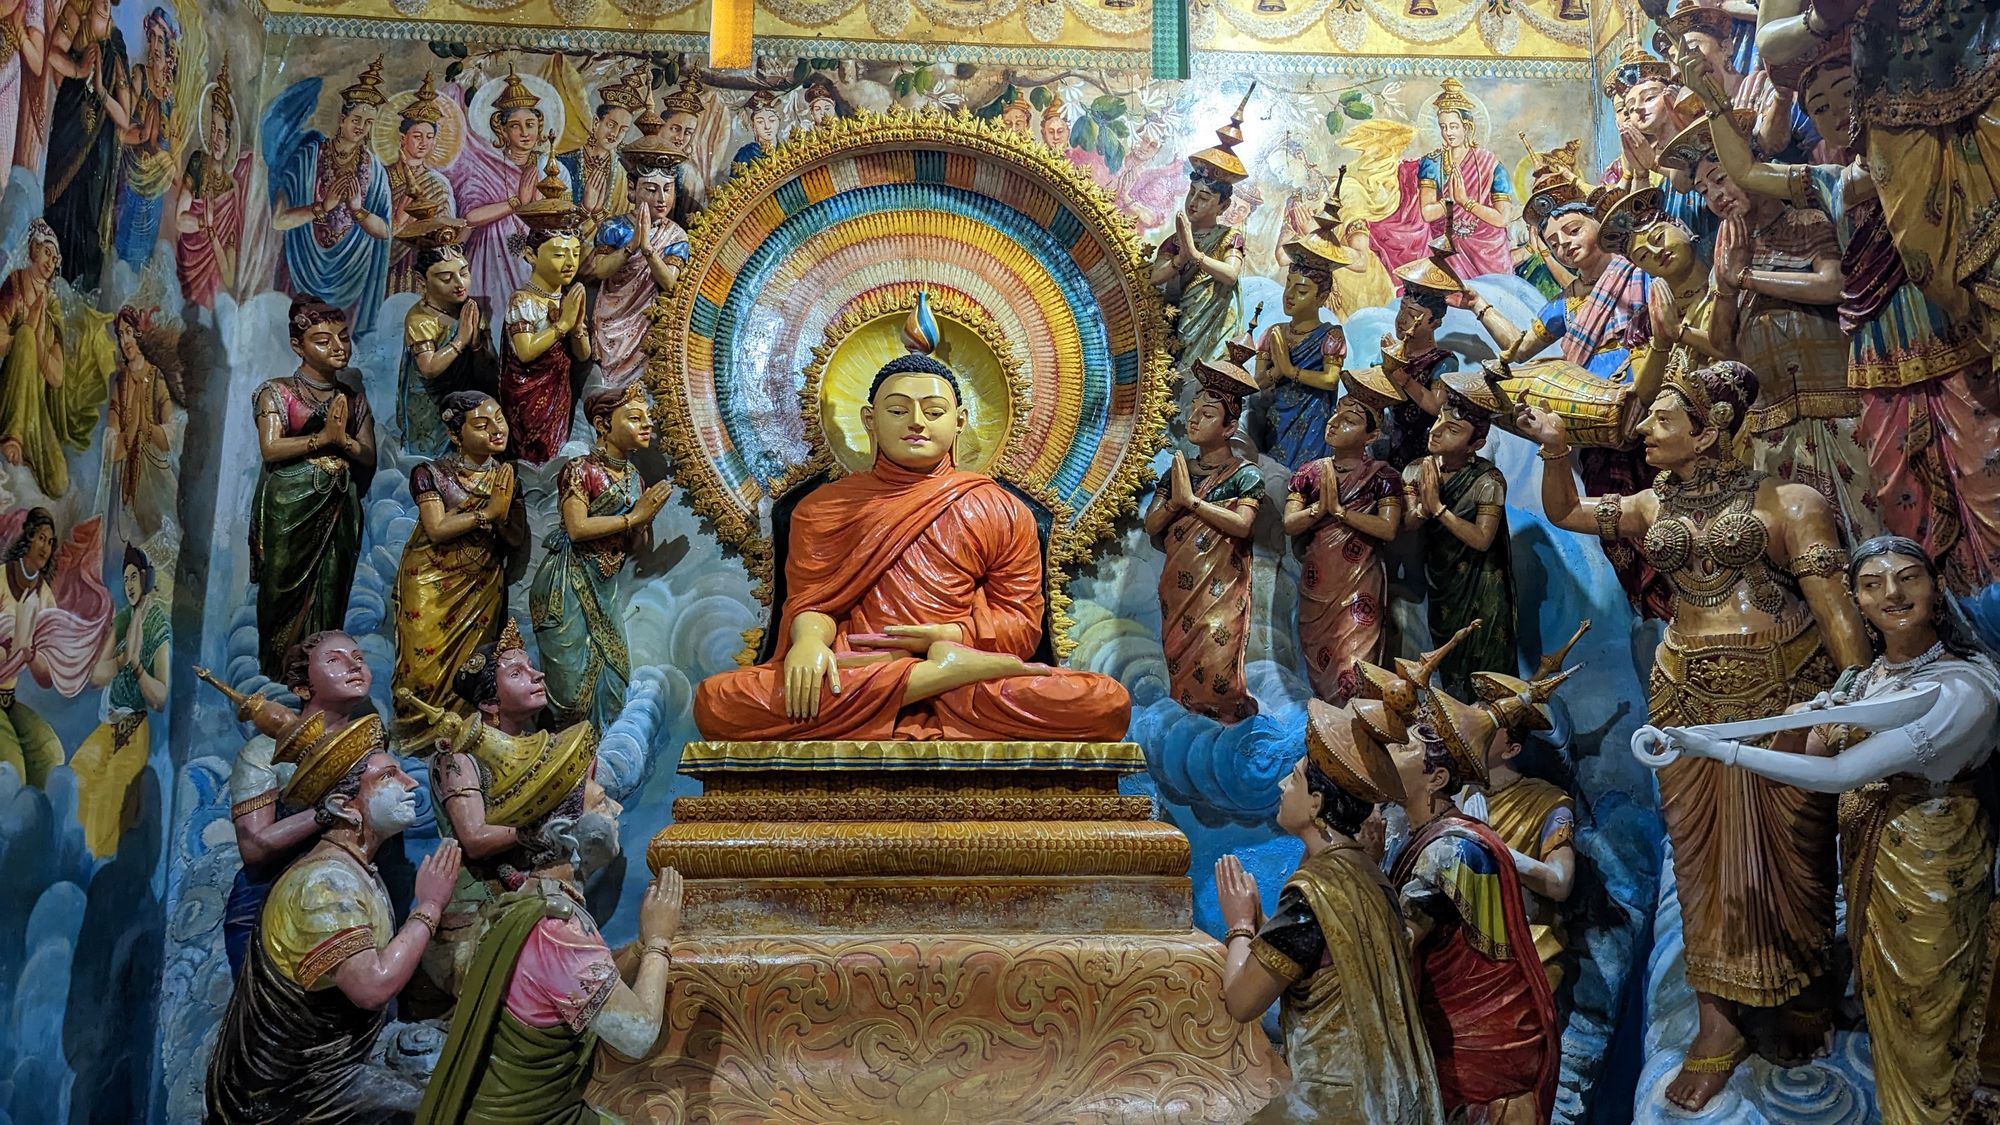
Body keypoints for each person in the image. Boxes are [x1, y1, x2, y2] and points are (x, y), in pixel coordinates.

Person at [1517, 360, 1869, 1112]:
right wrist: (1552, 451)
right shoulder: (1651, 505)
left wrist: (1858, 693)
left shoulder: (1791, 500)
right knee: (1702, 856)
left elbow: (1835, 605)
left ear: (1710, 431)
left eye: (1663, 418)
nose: (1644, 429)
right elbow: (1568, 513)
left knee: (1796, 849)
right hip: (1685, 698)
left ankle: (1800, 989)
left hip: (1782, 694)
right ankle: (1717, 1022)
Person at [1643, 536, 2000, 1125]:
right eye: (1873, 583)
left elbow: (1841, 772)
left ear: (1935, 588)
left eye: (1909, 577)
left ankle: (1935, 1112)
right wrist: (1792, 722)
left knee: (1930, 1010)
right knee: (1889, 1001)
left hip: (1935, 859)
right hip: (1874, 857)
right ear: (1855, 600)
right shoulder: (1866, 681)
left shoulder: (1966, 688)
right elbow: (1807, 758)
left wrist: (1717, 749)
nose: (1893, 593)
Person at [1677, 41, 2000, 591]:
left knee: (1983, 482)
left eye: (1847, 94)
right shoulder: (1832, 187)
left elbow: (1831, 279)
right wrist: (1710, 97)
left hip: (1943, 342)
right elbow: (1748, 174)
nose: (1836, 112)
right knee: (1897, 511)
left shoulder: (1916, 156)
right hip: (1867, 367)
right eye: (1820, 105)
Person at [691, 351, 1132, 742]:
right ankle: (933, 677)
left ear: (959, 421)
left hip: (963, 682)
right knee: (718, 701)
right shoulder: (825, 507)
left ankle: (938, 675)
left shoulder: (1000, 509)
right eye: (898, 410)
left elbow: (1020, 626)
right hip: (856, 667)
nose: (917, 422)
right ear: (869, 420)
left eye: (934, 410)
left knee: (1105, 701)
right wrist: (807, 644)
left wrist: (951, 635)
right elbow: (814, 604)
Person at [205, 740, 462, 1124]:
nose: (412, 784)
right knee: (434, 1113)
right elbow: (372, 987)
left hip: (331, 1069)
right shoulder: (324, 884)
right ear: (344, 806)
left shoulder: (354, 869)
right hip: (287, 1093)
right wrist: (429, 907)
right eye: (390, 776)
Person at [1213, 698, 1444, 1124]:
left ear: (1316, 803)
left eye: (1296, 778)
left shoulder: (1313, 895)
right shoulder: (1370, 878)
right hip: (1384, 1096)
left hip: (1331, 1102)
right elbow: (1316, 965)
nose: (1283, 784)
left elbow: (1242, 1002)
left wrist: (1241, 924)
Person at [416, 757, 683, 1124]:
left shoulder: (526, 901)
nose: (615, 808)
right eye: (601, 802)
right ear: (565, 833)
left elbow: (588, 988)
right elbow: (637, 1037)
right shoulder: (556, 931)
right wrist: (658, 942)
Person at [1679, 114, 1877, 546]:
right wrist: (1727, 289)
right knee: (1799, 536)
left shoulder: (1805, 222)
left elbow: (1833, 284)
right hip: (1772, 420)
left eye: (1720, 178)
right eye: (1704, 191)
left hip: (1834, 401)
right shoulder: (1727, 254)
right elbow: (1721, 344)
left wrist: (1746, 276)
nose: (1716, 195)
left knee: (1863, 515)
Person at [1389, 705, 1560, 1124]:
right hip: (1455, 1039)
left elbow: (1394, 944)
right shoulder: (1425, 838)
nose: (1390, 750)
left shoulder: (1451, 851)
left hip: (1478, 1051)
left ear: (1437, 779)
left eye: (1405, 745)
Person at [403, 629, 594, 994]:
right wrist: (537, 832)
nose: (537, 675)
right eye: (517, 673)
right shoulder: (457, 758)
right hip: (479, 914)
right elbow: (474, 838)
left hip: (535, 892)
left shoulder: (545, 750)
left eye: (532, 667)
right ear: (490, 703)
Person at [211, 631, 376, 976]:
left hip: (351, 900)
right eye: (334, 660)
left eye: (358, 658)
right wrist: (321, 816)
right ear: (302, 687)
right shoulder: (264, 754)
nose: (353, 665)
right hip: (276, 906)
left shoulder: (372, 752)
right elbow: (254, 847)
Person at [530, 383, 672, 732]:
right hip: (566, 586)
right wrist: (633, 518)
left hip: (604, 591)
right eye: (635, 418)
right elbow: (577, 528)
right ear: (603, 424)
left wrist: (644, 522)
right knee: (569, 685)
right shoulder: (580, 470)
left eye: (648, 418)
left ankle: (600, 755)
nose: (646, 425)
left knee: (613, 677)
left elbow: (638, 547)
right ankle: (570, 758)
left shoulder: (636, 480)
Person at [250, 300, 376, 680]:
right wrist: (325, 439)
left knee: (332, 587)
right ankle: (279, 672)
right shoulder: (276, 392)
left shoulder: (353, 399)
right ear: (297, 345)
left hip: (339, 505)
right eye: (322, 340)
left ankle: (323, 671)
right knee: (281, 591)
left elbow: (367, 455)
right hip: (288, 507)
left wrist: (344, 442)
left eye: (343, 337)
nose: (338, 347)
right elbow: (271, 448)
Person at [392, 392, 521, 750]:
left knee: (474, 664)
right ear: (456, 435)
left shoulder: (506, 476)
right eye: (481, 425)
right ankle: (414, 738)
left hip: (480, 583)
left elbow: (513, 537)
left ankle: (466, 737)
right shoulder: (431, 474)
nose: (497, 430)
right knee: (421, 666)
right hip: (430, 579)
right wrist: (488, 514)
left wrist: (505, 516)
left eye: (499, 419)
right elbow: (435, 528)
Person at [1463, 626, 1587, 991]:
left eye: (1491, 724)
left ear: (1512, 749)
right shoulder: (1451, 789)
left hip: (1520, 947)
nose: (1475, 726)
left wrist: (1490, 848)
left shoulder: (1548, 804)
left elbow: (1560, 883)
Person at [1145, 359, 1262, 724]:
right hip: (1179, 586)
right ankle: (1186, 730)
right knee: (1181, 659)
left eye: (1208, 414)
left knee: (1217, 651)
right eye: (1194, 410)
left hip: (1221, 589)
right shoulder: (1178, 472)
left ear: (1229, 427)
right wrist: (1175, 503)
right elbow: (1152, 524)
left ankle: (1227, 730)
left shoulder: (1245, 475)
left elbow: (1243, 526)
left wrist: (1193, 503)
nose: (1194, 419)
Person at [1284, 399, 1403, 704]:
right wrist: (1317, 511)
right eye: (1335, 415)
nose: (1334, 423)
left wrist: (1340, 512)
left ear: (1371, 436)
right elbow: (1290, 523)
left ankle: (1353, 725)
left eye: (1349, 420)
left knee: (1354, 664)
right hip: (1318, 579)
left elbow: (1388, 529)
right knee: (1319, 657)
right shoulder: (1309, 473)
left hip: (1359, 580)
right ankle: (1327, 726)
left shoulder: (1382, 476)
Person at [268, 59, 394, 338]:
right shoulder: (308, 158)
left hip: (352, 278)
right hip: (302, 268)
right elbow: (278, 220)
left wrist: (358, 211)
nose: (362, 127)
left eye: (368, 122)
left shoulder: (375, 170)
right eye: (356, 120)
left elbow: (385, 230)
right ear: (342, 119)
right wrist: (322, 208)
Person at [1402, 391, 1515, 698]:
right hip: (1442, 576)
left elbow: (1481, 539)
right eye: (1439, 419)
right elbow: (1409, 523)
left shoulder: (1487, 479)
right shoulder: (1416, 469)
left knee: (1486, 649)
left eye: (1452, 430)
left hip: (1482, 581)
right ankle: (1455, 714)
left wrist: (1438, 508)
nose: (1436, 430)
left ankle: (1494, 721)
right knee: (1448, 649)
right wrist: (1425, 508)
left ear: (1475, 446)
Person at [0, 219, 115, 498]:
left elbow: (56, 376)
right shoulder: (15, 284)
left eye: (55, 257)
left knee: (58, 482)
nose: (51, 262)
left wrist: (39, 336)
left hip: (36, 406)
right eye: (47, 253)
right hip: (8, 393)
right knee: (25, 338)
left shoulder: (52, 307)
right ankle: (12, 435)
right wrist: (25, 339)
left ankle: (25, 442)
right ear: (33, 251)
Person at [70, 545, 167, 859]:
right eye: (125, 578)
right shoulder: (124, 619)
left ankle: (94, 868)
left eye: (133, 578)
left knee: (109, 798)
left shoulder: (158, 627)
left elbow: (160, 699)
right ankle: (73, 861)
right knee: (76, 777)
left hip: (134, 731)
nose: (128, 585)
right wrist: (124, 658)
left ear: (145, 578)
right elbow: (96, 675)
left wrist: (137, 666)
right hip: (108, 727)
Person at [1153, 92, 1249, 368]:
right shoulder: (1175, 240)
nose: (1193, 203)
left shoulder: (1230, 237)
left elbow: (1230, 275)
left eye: (1204, 198)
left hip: (1214, 331)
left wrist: (1195, 254)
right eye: (1192, 193)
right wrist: (1180, 258)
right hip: (1182, 325)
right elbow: (1154, 278)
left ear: (1223, 204)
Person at [586, 142, 689, 393]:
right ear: (632, 190)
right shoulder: (615, 228)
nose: (661, 199)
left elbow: (670, 282)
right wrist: (632, 245)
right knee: (610, 392)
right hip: (613, 320)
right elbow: (599, 271)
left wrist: (648, 250)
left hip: (648, 323)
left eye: (667, 189)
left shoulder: (676, 236)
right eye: (652, 190)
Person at [500, 204, 591, 465]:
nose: (570, 263)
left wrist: (577, 326)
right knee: (534, 457)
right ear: (531, 255)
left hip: (558, 391)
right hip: (527, 394)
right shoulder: (523, 301)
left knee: (556, 453)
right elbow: (525, 352)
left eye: (575, 253)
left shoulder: (565, 299)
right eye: (560, 255)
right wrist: (562, 324)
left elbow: (583, 355)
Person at [1256, 219, 1350, 470]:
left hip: (1313, 417)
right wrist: (1278, 372)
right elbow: (1259, 381)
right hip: (1277, 418)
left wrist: (1290, 370)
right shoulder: (1273, 333)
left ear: (1321, 297)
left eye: (1301, 291)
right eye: (1288, 285)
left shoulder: (1331, 336)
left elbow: (1330, 380)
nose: (1289, 295)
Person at [399, 236, 497, 458]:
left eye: (463, 273)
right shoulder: (420, 318)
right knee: (436, 458)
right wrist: (460, 341)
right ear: (422, 280)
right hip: (431, 403)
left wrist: (475, 346)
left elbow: (488, 365)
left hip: (467, 395)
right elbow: (428, 368)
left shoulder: (472, 309)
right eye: (446, 278)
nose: (459, 284)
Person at [1417, 79, 1514, 281]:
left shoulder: (1491, 165)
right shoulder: (1431, 163)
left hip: (1488, 252)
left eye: (1454, 126)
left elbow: (1502, 218)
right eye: (1443, 127)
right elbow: (1427, 213)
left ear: (1467, 127)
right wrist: (1449, 201)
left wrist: (1465, 202)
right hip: (1448, 250)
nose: (1448, 133)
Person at [176, 63, 254, 311]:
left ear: (229, 140)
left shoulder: (232, 189)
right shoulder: (197, 163)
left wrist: (212, 233)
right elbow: (179, 219)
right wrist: (201, 223)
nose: (216, 138)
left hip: (214, 284)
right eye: (213, 130)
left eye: (222, 133)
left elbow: (229, 275)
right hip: (187, 268)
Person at [106, 305, 185, 543]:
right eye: (121, 335)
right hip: (127, 468)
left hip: (153, 465)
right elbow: (112, 427)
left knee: (163, 523)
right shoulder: (120, 380)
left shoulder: (156, 376)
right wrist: (122, 436)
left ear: (139, 335)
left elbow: (169, 429)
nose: (125, 340)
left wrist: (146, 429)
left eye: (129, 332)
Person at [385, 72, 462, 296]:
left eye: (429, 137)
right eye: (417, 136)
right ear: (403, 138)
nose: (423, 143)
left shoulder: (438, 184)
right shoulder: (382, 178)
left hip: (420, 265)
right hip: (381, 267)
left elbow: (446, 233)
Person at [556, 68, 645, 236]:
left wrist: (597, 214)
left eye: (623, 129)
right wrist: (584, 209)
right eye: (611, 125)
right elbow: (550, 223)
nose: (615, 134)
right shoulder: (564, 163)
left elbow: (625, 232)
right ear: (597, 122)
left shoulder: (622, 176)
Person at [731, 89, 781, 167]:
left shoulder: (788, 150)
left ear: (778, 121)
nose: (767, 127)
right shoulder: (745, 155)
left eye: (772, 120)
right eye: (760, 122)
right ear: (753, 125)